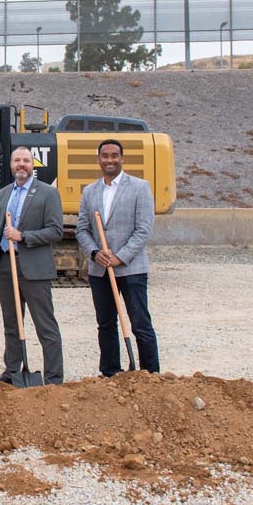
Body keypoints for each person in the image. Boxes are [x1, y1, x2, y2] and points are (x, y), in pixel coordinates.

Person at [75, 138, 160, 376]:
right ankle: (110, 372)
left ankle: (150, 374)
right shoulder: (90, 191)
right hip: (100, 269)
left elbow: (144, 229)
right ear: (99, 159)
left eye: (114, 156)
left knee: (140, 322)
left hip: (131, 269)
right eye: (105, 156)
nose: (109, 160)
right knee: (105, 324)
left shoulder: (140, 187)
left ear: (122, 158)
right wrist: (94, 252)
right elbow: (82, 228)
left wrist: (120, 257)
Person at [0, 146, 66, 385]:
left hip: (34, 267)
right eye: (17, 160)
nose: (21, 164)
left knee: (45, 325)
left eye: (26, 161)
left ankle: (53, 378)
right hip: (6, 267)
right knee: (11, 322)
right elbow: (0, 228)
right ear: (11, 165)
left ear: (33, 165)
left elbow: (56, 230)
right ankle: (12, 372)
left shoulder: (48, 193)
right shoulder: (4, 192)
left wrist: (23, 236)